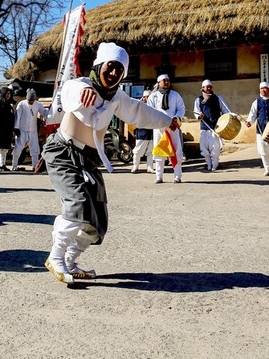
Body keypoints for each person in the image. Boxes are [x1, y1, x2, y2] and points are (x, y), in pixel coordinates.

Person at [42, 42, 177, 284]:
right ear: (99, 65)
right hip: (63, 152)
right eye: (110, 66)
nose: (114, 73)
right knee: (78, 203)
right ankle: (56, 256)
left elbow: (141, 111)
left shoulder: (117, 97)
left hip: (88, 159)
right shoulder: (82, 84)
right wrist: (83, 92)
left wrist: (167, 120)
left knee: (97, 216)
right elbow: (70, 89)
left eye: (119, 70)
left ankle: (70, 260)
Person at [148, 74, 185, 183]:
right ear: (159, 83)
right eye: (164, 80)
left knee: (176, 150)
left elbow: (181, 108)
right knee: (159, 151)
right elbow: (149, 110)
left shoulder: (175, 95)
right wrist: (157, 120)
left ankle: (177, 176)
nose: (166, 82)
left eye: (168, 80)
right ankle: (159, 176)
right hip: (159, 127)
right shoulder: (153, 96)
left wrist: (176, 118)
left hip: (172, 126)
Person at [193, 79, 228, 172]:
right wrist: (199, 115)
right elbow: (196, 111)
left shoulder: (218, 98)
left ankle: (215, 165)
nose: (208, 88)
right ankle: (208, 164)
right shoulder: (198, 100)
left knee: (215, 148)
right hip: (204, 127)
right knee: (204, 149)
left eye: (210, 87)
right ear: (202, 88)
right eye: (206, 87)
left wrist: (228, 117)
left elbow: (225, 109)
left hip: (215, 127)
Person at [11, 88, 49, 171]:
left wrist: (50, 112)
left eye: (32, 100)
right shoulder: (21, 104)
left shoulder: (38, 104)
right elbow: (18, 116)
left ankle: (35, 166)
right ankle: (14, 165)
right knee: (18, 148)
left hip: (33, 130)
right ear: (26, 98)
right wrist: (16, 128)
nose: (31, 102)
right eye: (29, 100)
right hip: (22, 130)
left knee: (35, 149)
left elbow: (44, 113)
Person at [0, 86, 15, 171]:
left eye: (9, 94)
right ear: (3, 93)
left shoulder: (10, 106)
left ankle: (2, 164)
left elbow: (12, 119)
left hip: (7, 130)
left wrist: (12, 129)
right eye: (7, 93)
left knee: (4, 148)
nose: (8, 95)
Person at [130, 90, 155, 174]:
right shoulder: (140, 106)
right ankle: (135, 167)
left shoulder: (153, 106)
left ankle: (150, 167)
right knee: (138, 151)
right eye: (146, 97)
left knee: (150, 151)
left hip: (152, 132)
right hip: (142, 132)